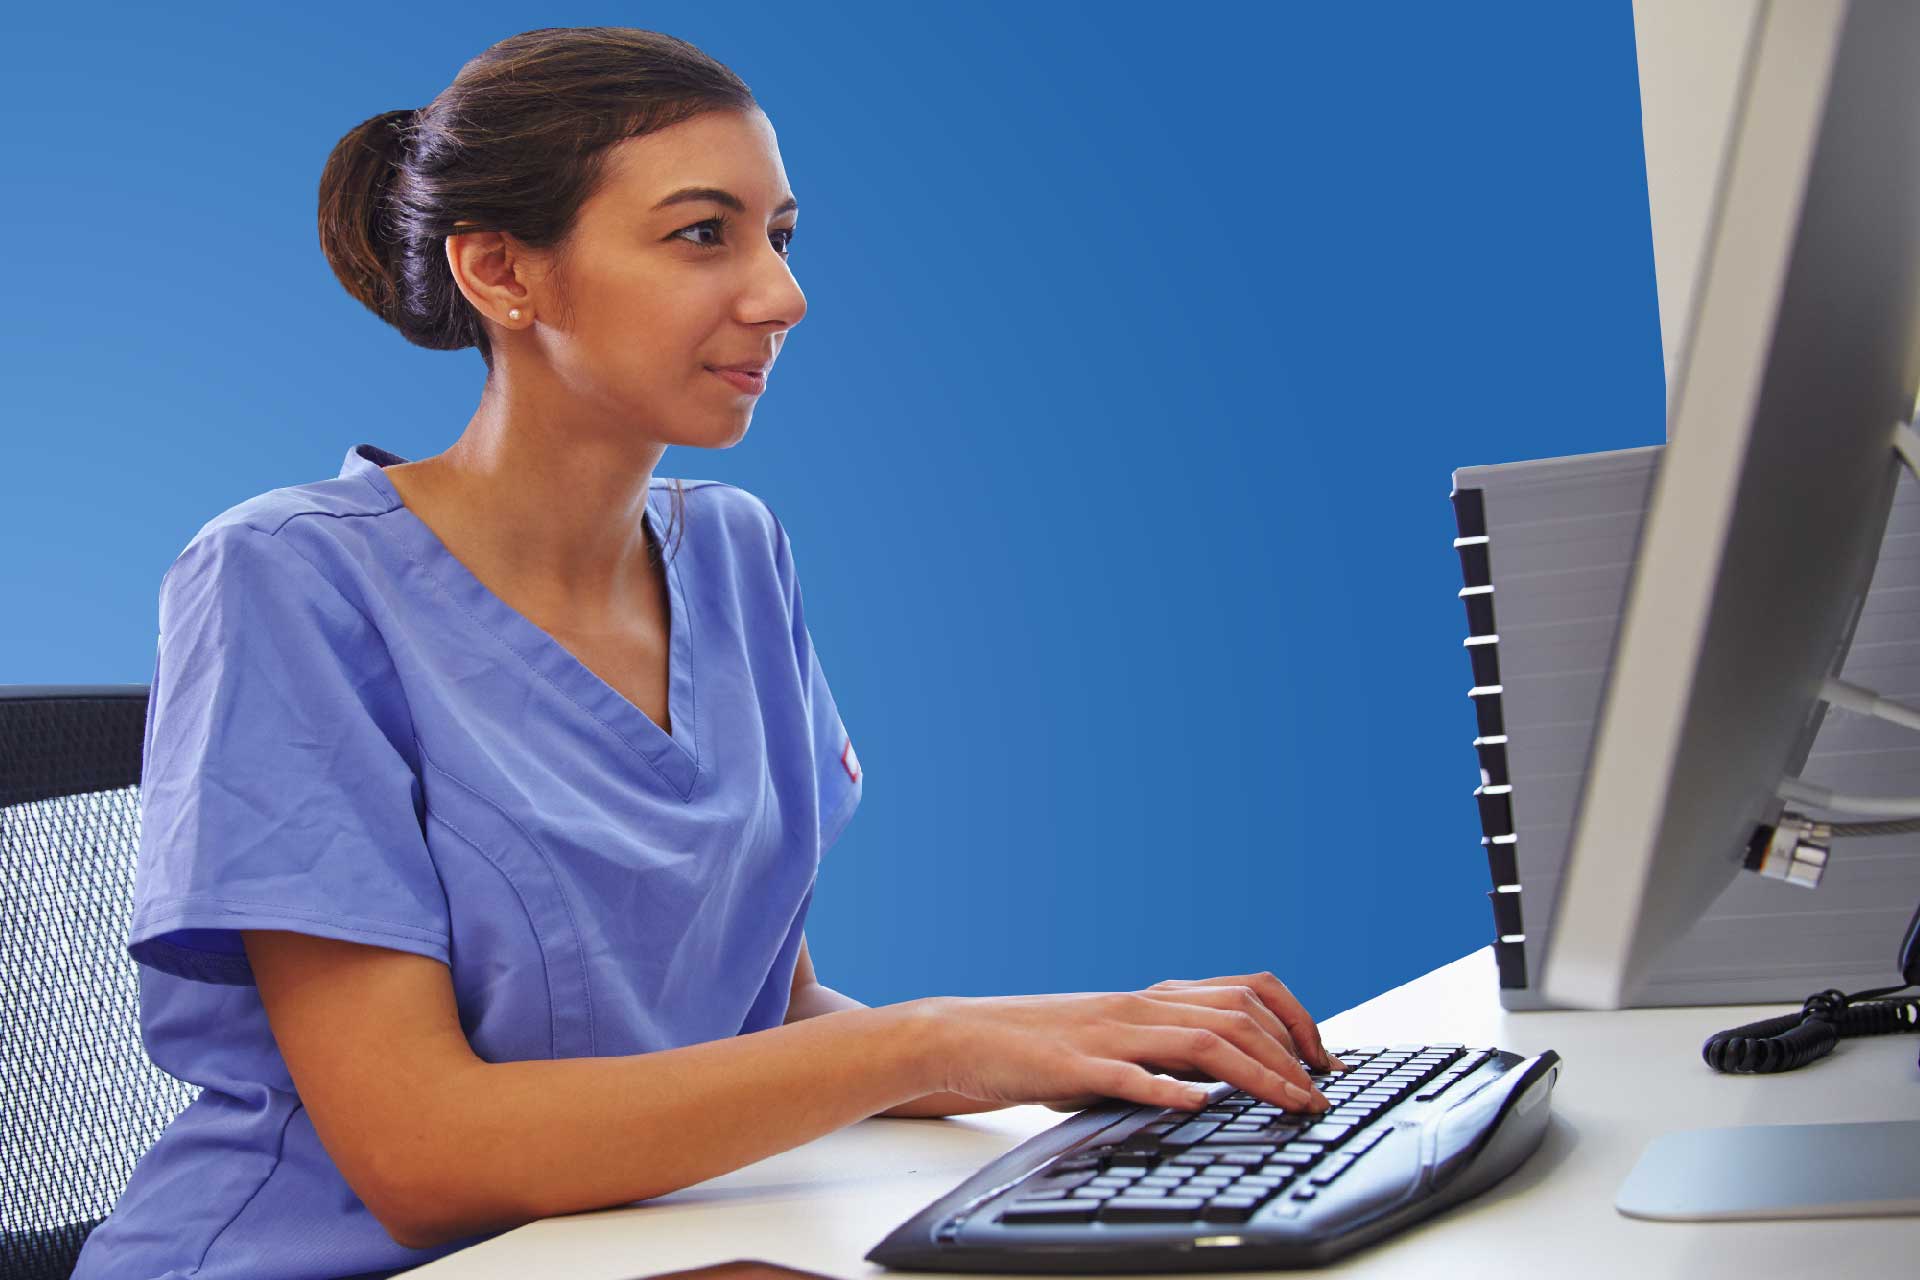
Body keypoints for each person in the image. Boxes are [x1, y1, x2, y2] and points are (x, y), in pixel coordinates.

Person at [72, 25, 1342, 1280]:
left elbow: (769, 1011)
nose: (782, 295)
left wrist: (1072, 1045)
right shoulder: (285, 577)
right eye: (701, 235)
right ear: (503, 272)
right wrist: (928, 1040)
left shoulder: (737, 553)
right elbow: (420, 1153)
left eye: (780, 235)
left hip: (626, 1238)